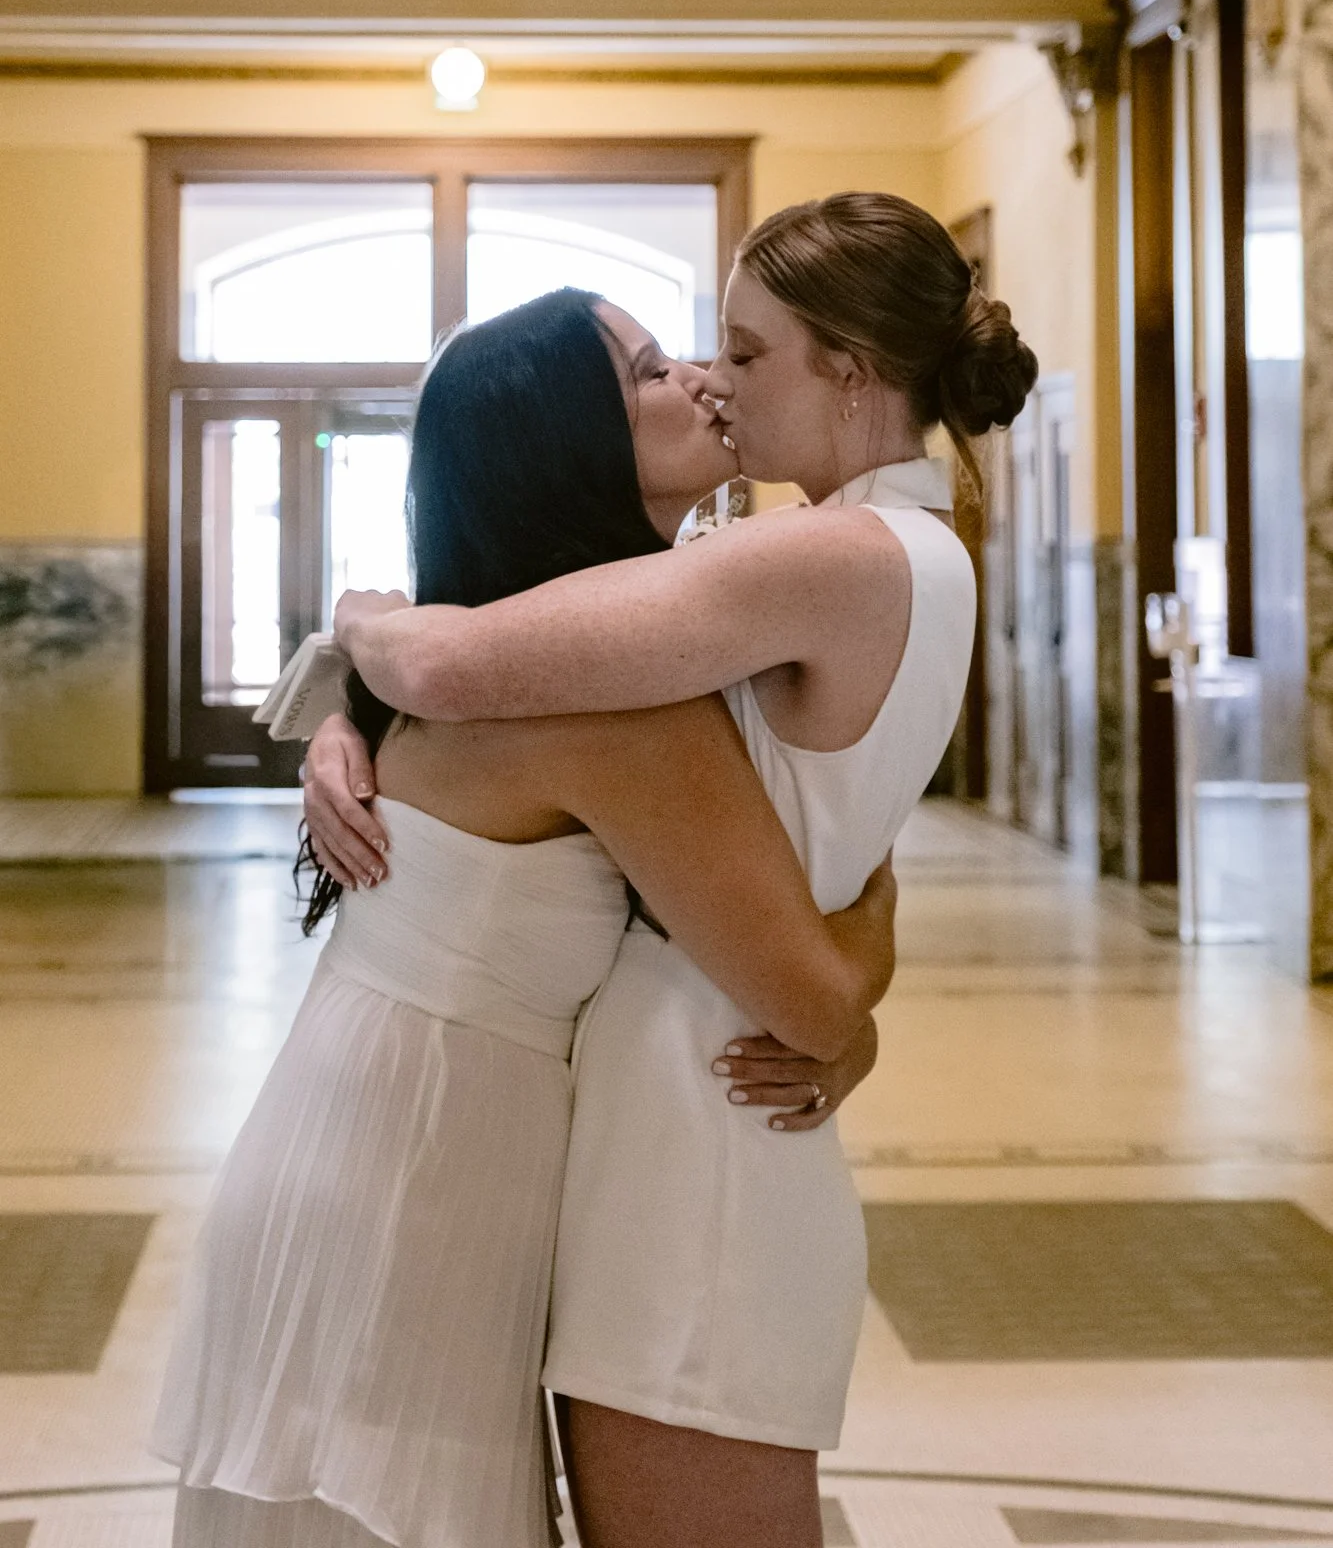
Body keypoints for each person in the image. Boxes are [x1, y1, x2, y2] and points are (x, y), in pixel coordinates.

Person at [308, 191, 1038, 1548]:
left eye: (745, 353)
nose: (715, 380)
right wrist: (345, 719)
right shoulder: (895, 549)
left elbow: (459, 660)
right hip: (698, 1084)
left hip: (697, 1115)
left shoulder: (824, 553)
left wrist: (356, 624)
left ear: (851, 371)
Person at [154, 288, 899, 1548]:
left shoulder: (503, 649)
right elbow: (816, 1002)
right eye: (649, 372)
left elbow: (388, 624)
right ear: (567, 446)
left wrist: (347, 656)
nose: (701, 377)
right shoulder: (604, 704)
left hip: (368, 1144)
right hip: (410, 1179)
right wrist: (872, 891)